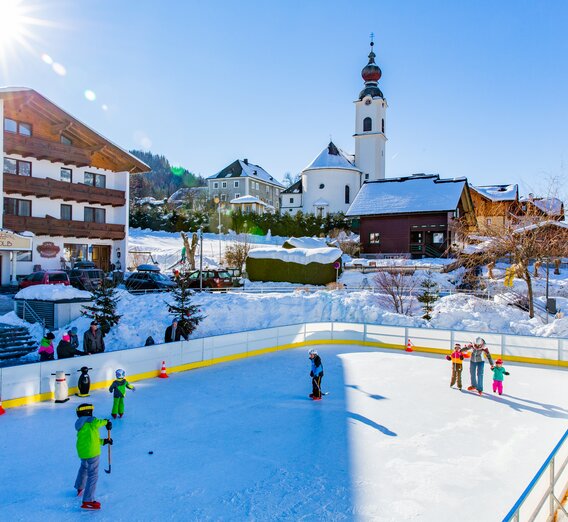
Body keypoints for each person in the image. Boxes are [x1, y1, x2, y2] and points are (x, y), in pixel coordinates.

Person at [74, 403, 113, 510]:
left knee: (84, 468)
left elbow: (91, 440)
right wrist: (107, 422)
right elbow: (98, 422)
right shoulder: (92, 421)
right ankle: (88, 500)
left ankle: (80, 487)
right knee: (93, 475)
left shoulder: (80, 424)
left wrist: (104, 441)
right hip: (93, 453)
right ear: (88, 413)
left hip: (83, 452)